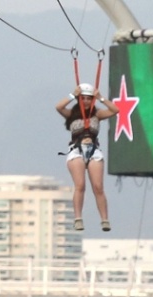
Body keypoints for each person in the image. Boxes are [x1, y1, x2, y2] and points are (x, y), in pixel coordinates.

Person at [54, 83, 112, 232]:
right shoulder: (71, 115)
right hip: (76, 150)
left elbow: (115, 110)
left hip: (94, 150)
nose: (86, 101)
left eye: (89, 99)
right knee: (80, 186)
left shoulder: (97, 115)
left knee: (98, 187)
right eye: (83, 99)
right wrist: (72, 95)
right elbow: (59, 107)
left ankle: (104, 219)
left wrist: (101, 98)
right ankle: (78, 218)